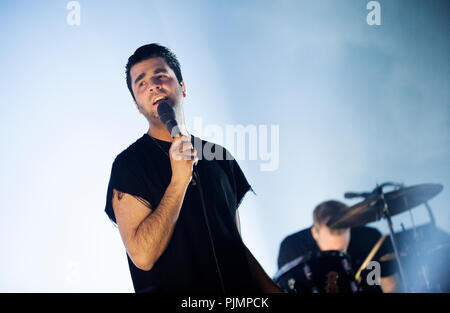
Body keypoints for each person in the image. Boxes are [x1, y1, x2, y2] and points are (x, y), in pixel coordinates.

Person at [104, 43, 280, 293]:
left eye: (161, 75)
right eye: (141, 83)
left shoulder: (219, 156)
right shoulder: (128, 165)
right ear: (137, 105)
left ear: (183, 88)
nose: (153, 85)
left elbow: (233, 244)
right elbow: (143, 256)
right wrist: (178, 181)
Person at [277, 200, 400, 293]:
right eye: (331, 251)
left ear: (350, 229)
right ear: (315, 233)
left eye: (341, 250)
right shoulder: (291, 249)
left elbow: (390, 285)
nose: (337, 255)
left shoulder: (370, 238)